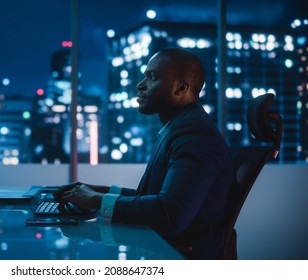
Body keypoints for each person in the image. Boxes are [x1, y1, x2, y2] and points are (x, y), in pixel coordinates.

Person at [54, 47, 234, 259]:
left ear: (181, 88)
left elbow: (170, 214)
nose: (140, 85)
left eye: (152, 77)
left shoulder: (195, 134)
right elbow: (154, 198)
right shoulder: (180, 127)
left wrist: (95, 200)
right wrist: (95, 192)